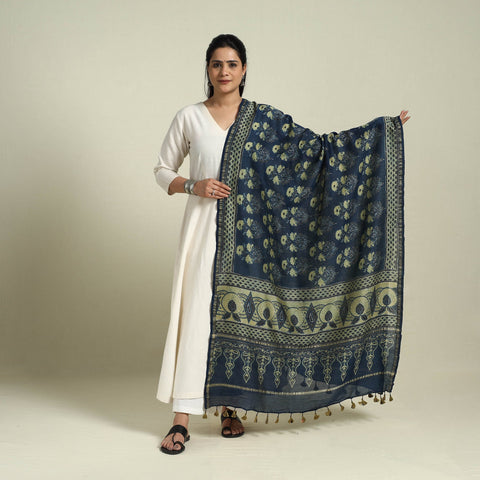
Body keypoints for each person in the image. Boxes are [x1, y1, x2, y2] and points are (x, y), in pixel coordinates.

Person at [153, 33, 410, 455]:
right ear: (208, 69)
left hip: (251, 240)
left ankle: (230, 408)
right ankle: (181, 420)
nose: (224, 72)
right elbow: (163, 169)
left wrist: (381, 133)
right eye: (217, 64)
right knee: (198, 317)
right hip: (202, 231)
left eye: (232, 64)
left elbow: (318, 152)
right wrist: (193, 185)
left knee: (238, 322)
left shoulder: (264, 121)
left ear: (244, 69)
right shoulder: (190, 117)